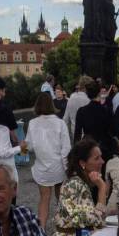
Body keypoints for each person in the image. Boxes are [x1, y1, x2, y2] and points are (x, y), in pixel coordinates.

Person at [53, 139, 110, 236]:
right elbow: (97, 220)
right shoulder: (74, 185)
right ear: (82, 163)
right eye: (97, 158)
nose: (102, 161)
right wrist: (102, 188)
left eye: (101, 157)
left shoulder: (79, 182)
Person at [22, 93, 70, 228]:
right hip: (59, 167)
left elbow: (28, 147)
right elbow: (66, 148)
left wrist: (22, 148)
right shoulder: (60, 123)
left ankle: (41, 229)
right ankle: (64, 227)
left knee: (44, 199)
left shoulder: (32, 123)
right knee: (61, 199)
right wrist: (67, 168)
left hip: (42, 168)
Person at [74, 80, 117, 160]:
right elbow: (113, 130)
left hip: (89, 149)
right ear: (99, 92)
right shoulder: (106, 111)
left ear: (87, 94)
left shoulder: (82, 111)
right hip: (105, 149)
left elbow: (77, 135)